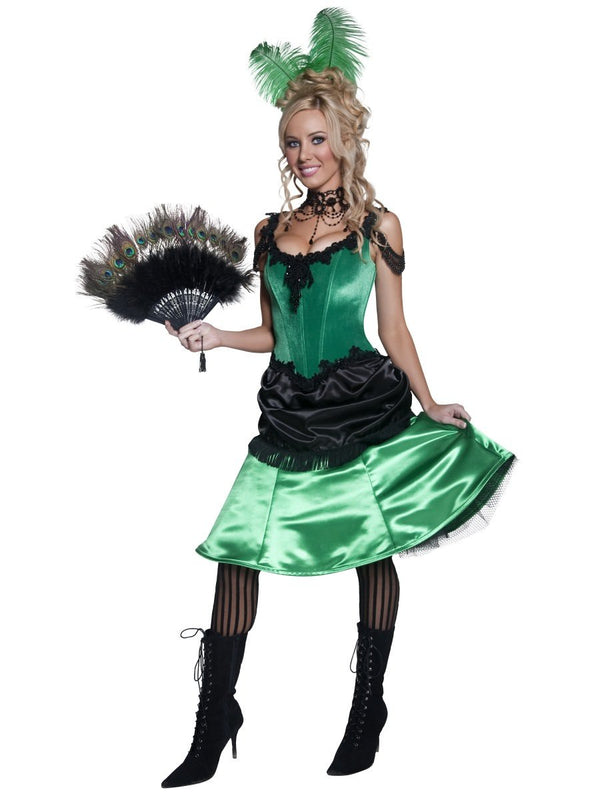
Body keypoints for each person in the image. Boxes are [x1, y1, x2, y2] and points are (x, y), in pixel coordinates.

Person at [159, 36, 516, 792]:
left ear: (346, 140)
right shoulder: (270, 232)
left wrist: (430, 401)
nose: (304, 155)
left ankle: (366, 710)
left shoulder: (379, 227)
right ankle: (213, 718)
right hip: (287, 414)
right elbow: (274, 334)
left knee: (371, 547)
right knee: (237, 552)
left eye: (317, 139)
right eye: (293, 143)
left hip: (361, 410)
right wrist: (217, 336)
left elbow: (394, 329)